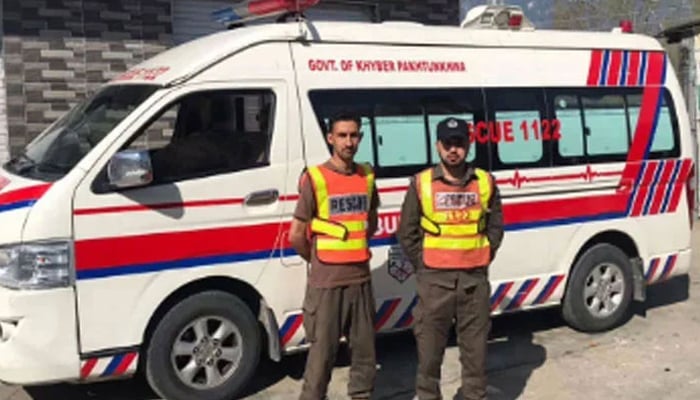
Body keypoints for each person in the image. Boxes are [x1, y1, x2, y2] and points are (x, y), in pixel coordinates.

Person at [397, 117, 504, 400]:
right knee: (429, 359)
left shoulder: (485, 182)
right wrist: (423, 264)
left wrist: (483, 254)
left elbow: (496, 228)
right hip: (434, 282)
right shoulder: (421, 184)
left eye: (459, 143)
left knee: (476, 358)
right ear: (438, 146)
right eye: (448, 144)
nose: (453, 150)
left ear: (468, 145)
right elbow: (406, 232)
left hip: (474, 281)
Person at [289, 112, 380, 400]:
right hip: (326, 283)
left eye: (354, 135)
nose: (349, 142)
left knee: (365, 356)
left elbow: (371, 222)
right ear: (330, 138)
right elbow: (296, 234)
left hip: (360, 280)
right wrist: (317, 260)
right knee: (321, 359)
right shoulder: (315, 178)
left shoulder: (366, 176)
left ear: (361, 138)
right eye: (342, 135)